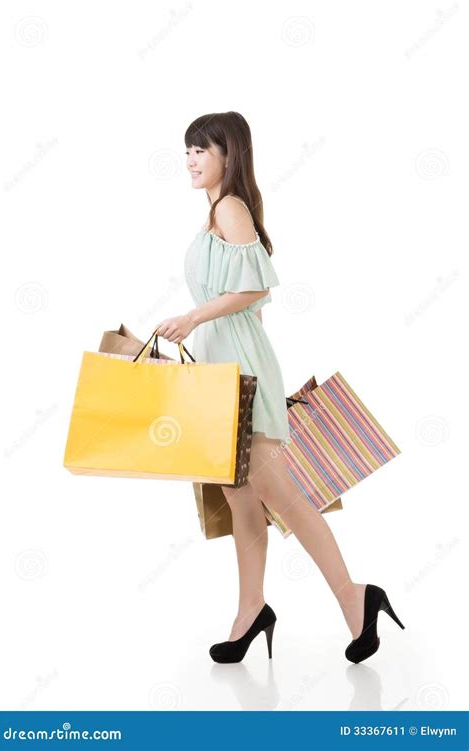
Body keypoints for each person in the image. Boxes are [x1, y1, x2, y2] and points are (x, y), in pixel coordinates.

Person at [154, 111, 405, 664]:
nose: (191, 158)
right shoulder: (217, 213)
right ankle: (251, 611)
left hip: (239, 371)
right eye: (188, 150)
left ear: (229, 154)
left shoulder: (230, 208)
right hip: (224, 372)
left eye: (202, 149)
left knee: (280, 495)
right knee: (241, 498)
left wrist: (194, 319)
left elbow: (257, 289)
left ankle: (354, 597)